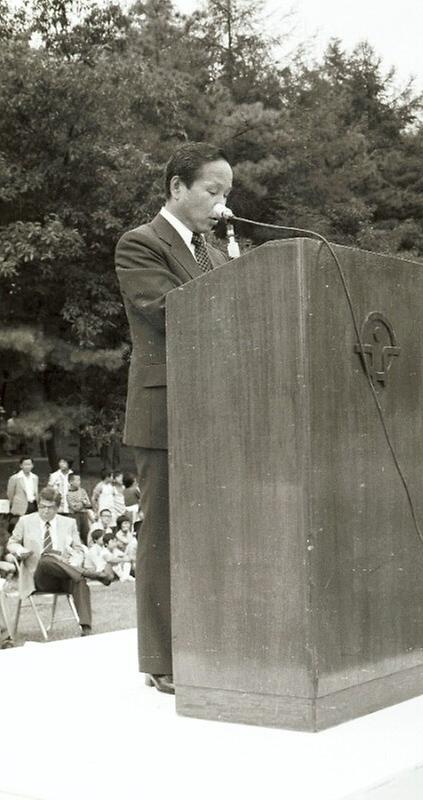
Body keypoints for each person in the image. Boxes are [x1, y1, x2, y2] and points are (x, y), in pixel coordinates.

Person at [115, 142, 233, 694]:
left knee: (211, 534)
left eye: (227, 194)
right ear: (177, 188)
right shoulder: (140, 244)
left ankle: (209, 644)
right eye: (213, 192)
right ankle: (162, 660)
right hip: (165, 412)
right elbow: (171, 313)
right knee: (161, 535)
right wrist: (239, 290)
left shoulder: (215, 250)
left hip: (215, 413)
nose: (222, 205)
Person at [7, 487, 111, 636]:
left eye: (50, 508)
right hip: (38, 576)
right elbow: (12, 543)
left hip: (65, 574)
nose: (45, 511)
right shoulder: (25, 521)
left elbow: (79, 549)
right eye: (42, 506)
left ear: (57, 507)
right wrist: (20, 550)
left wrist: (75, 559)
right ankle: (94, 575)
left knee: (79, 580)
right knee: (47, 559)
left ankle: (86, 628)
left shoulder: (69, 523)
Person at [7, 456, 39, 528]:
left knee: (32, 526)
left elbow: (36, 492)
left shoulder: (35, 477)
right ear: (21, 465)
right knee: (20, 527)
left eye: (29, 464)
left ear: (32, 465)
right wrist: (14, 504)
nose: (28, 466)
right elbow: (10, 494)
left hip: (33, 504)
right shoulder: (15, 478)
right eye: (25, 464)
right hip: (20, 506)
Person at [66, 472, 94, 545]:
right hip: (74, 516)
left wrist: (82, 503)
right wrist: (82, 502)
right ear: (71, 482)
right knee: (76, 533)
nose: (79, 482)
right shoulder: (69, 494)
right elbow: (74, 508)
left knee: (86, 533)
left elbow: (88, 504)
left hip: (84, 515)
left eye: (80, 480)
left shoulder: (82, 491)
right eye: (77, 480)